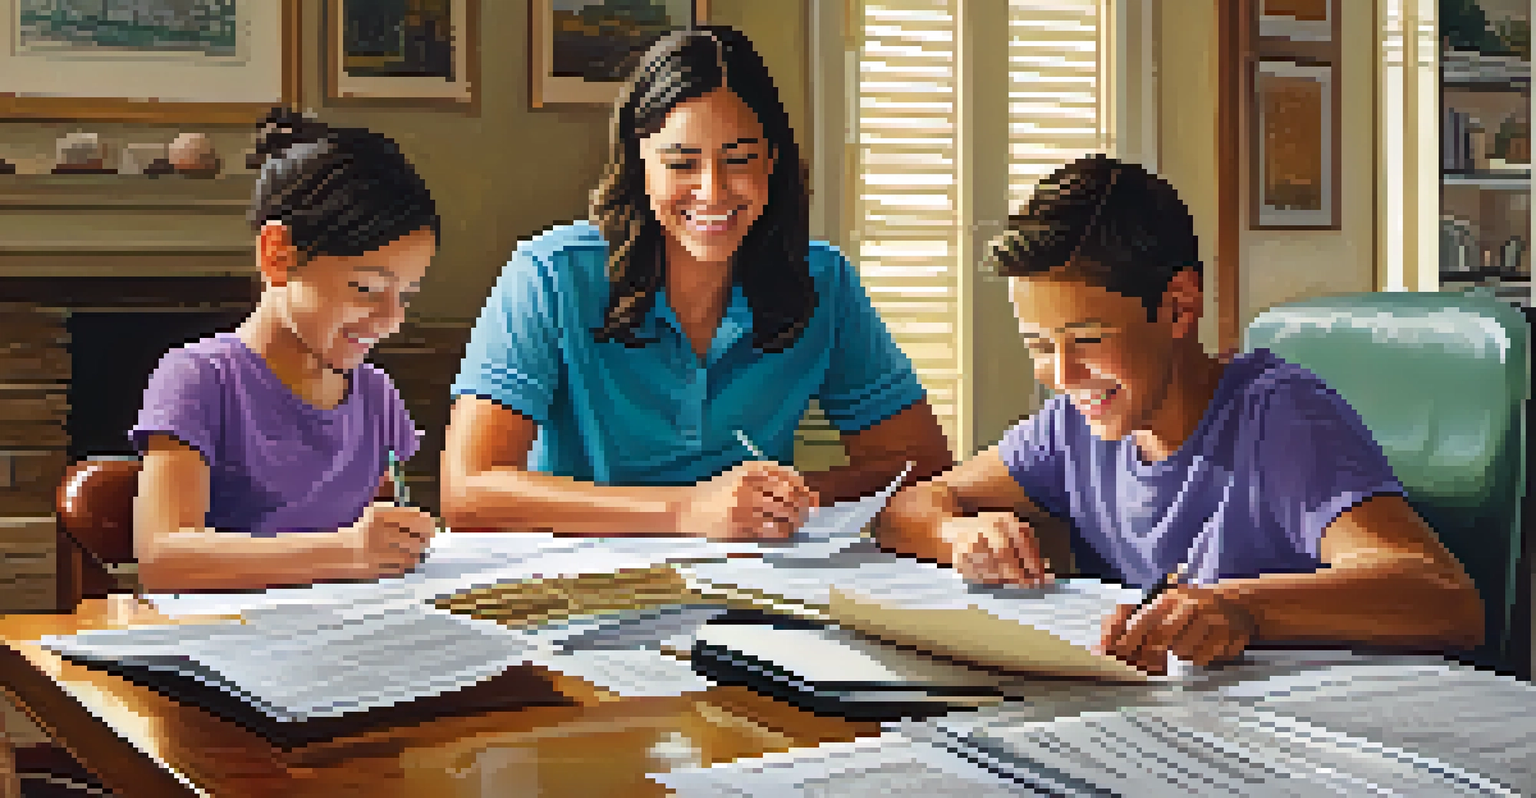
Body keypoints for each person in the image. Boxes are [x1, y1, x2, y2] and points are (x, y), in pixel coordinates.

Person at [873, 155, 1485, 674]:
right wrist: (959, 536)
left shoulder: (1280, 418)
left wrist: (1242, 609)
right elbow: (906, 509)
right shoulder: (1074, 427)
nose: (1063, 376)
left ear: (1178, 307)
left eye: (1087, 339)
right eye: (1039, 345)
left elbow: (1445, 599)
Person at [443, 26, 954, 540]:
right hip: (578, 588)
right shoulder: (549, 275)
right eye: (681, 162)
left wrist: (785, 498)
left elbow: (921, 464)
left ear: (771, 162)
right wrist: (688, 511)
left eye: (739, 159)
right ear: (640, 164)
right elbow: (467, 493)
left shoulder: (822, 279)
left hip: (756, 585)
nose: (712, 191)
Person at [131, 108, 439, 593]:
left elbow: (383, 537)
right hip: (226, 648)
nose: (392, 319)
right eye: (365, 288)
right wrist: (347, 551)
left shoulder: (376, 395)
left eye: (406, 296)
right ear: (278, 254)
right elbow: (164, 556)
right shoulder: (198, 381)